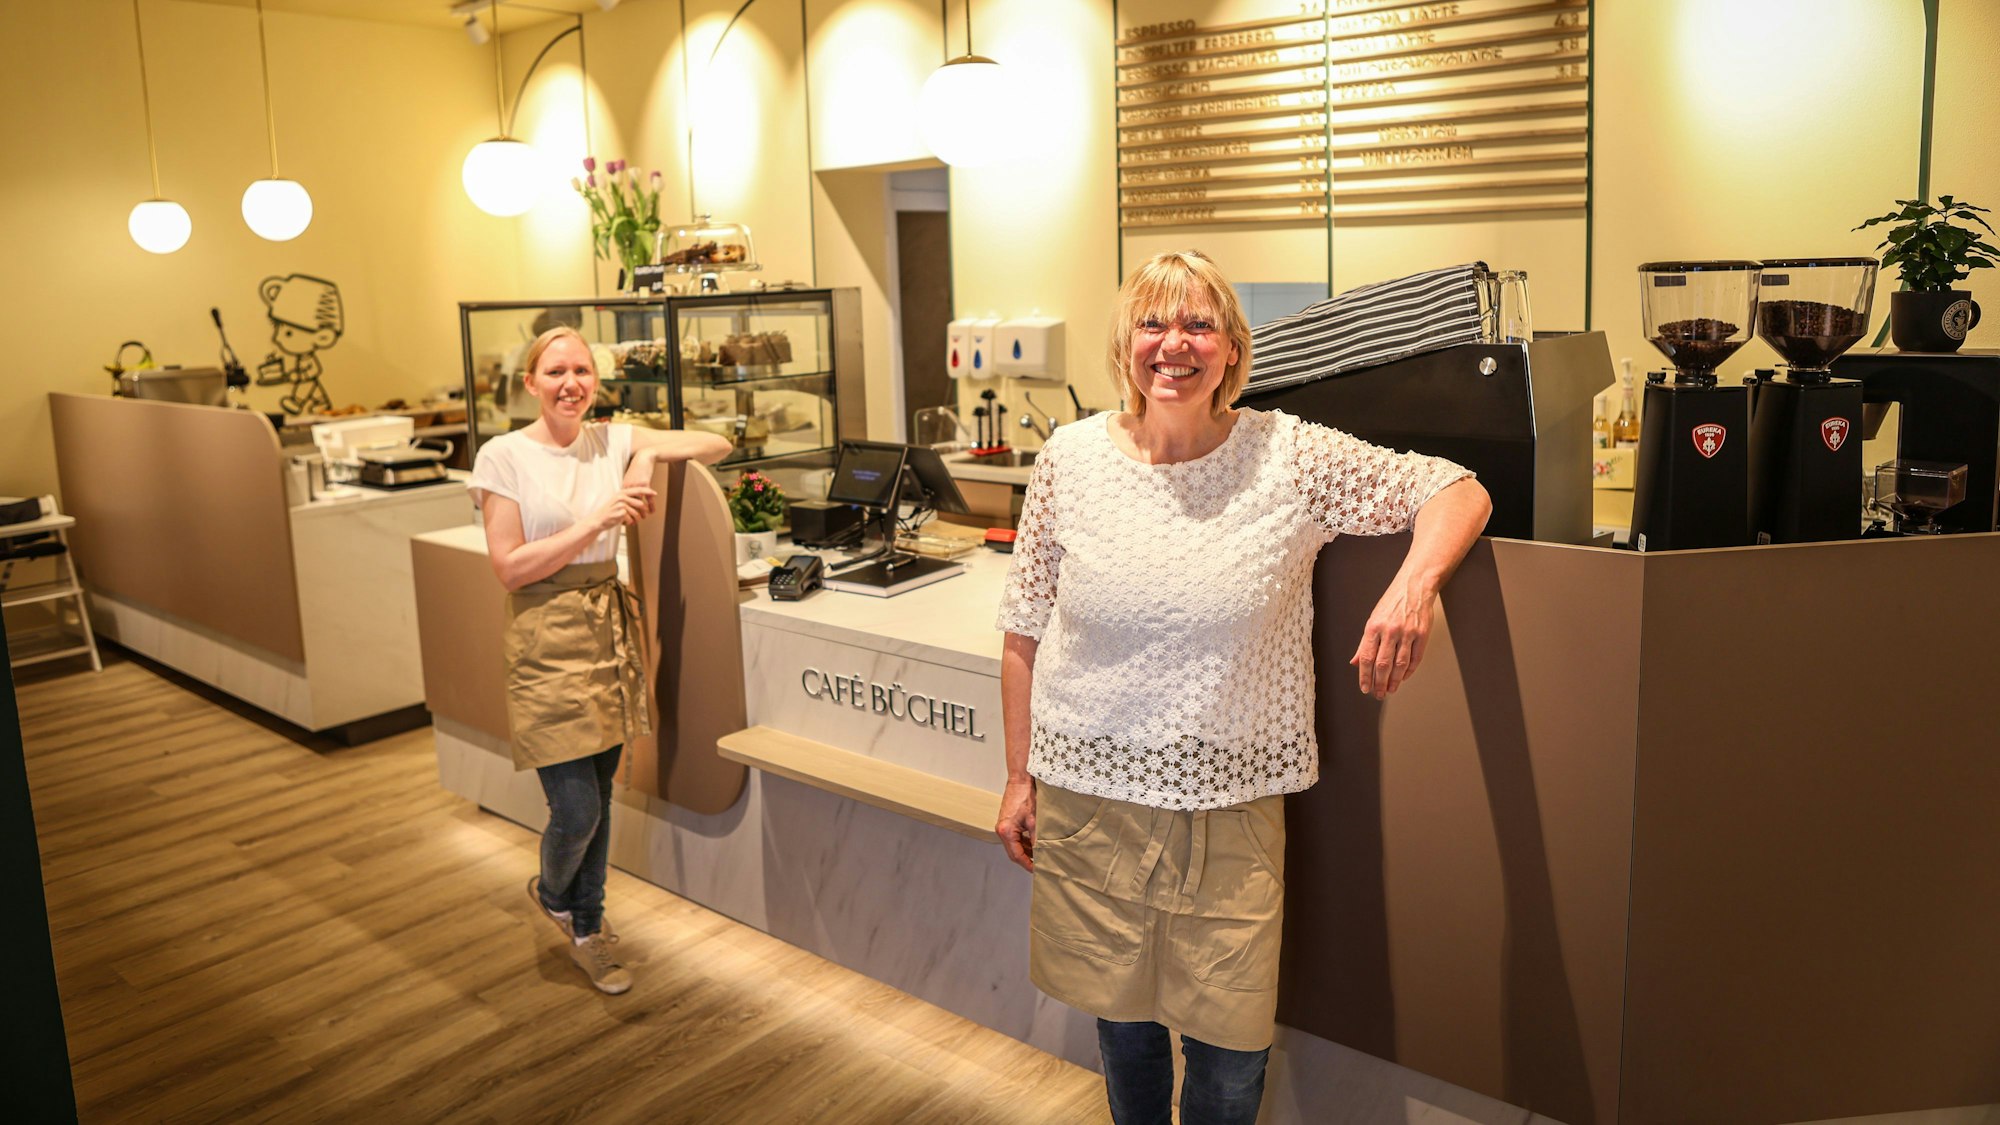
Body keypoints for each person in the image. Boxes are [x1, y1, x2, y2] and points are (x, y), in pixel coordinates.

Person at [994, 250, 1491, 1124]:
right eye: (1153, 322)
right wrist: (1016, 774)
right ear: (1126, 342)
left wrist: (1414, 588)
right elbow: (1024, 627)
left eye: (1198, 324)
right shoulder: (1069, 459)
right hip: (1089, 797)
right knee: (1126, 1037)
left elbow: (1455, 487)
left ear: (1232, 349)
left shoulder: (1287, 455)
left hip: (1230, 807)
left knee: (1229, 1054)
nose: (1173, 344)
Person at [468, 325, 730, 994]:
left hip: (607, 626)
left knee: (604, 790)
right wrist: (597, 520)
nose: (570, 384)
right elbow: (509, 567)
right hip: (543, 632)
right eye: (555, 371)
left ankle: (589, 925)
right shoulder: (503, 456)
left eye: (582, 370)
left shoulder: (610, 437)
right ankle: (554, 892)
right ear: (530, 383)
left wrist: (639, 461)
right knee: (577, 806)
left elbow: (717, 441)